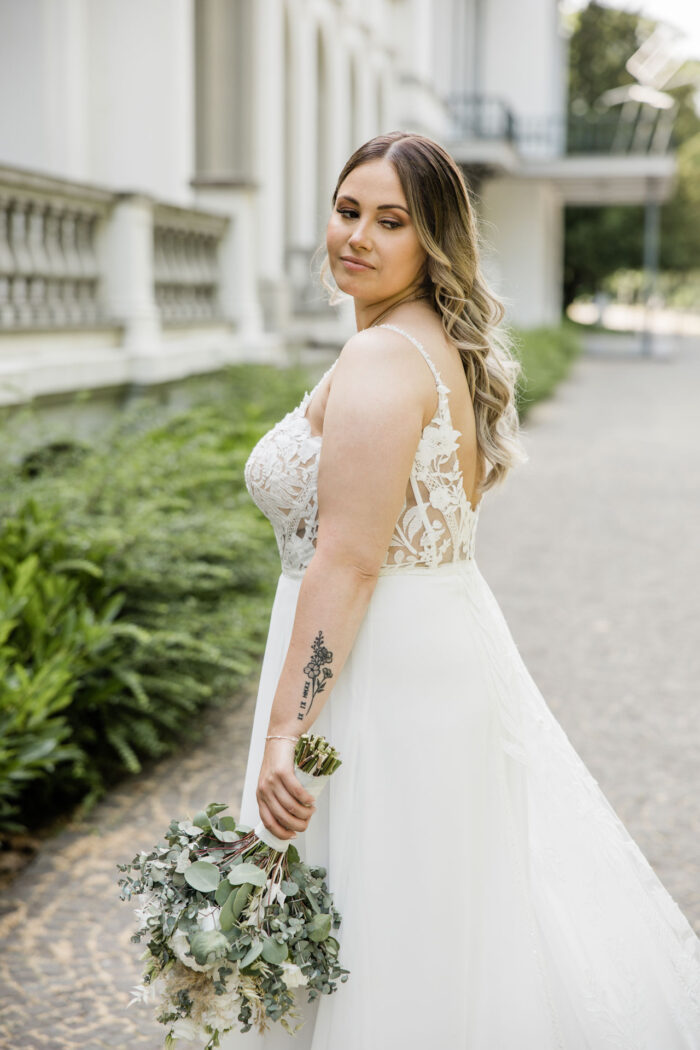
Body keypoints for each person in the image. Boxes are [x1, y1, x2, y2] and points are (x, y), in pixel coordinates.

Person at [222, 132, 700, 1048]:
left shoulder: (380, 358)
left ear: (431, 239)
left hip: (376, 674)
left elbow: (349, 561)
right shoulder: (432, 343)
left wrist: (286, 730)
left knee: (381, 937)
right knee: (436, 925)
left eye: (390, 221)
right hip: (432, 646)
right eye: (347, 210)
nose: (357, 236)